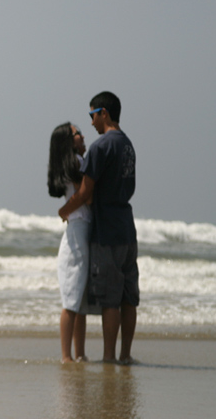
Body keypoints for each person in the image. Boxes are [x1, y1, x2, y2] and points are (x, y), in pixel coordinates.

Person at [59, 91, 138, 364]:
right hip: (127, 227)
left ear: (104, 113)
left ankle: (108, 358)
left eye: (92, 115)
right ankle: (125, 355)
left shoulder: (100, 146)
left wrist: (64, 211)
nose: (91, 122)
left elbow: (84, 192)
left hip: (107, 230)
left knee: (110, 300)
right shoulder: (128, 145)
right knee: (129, 298)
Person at [48, 122, 97, 363]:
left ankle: (78, 354)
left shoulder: (75, 163)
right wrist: (66, 209)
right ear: (69, 141)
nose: (83, 136)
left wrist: (64, 209)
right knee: (72, 300)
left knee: (78, 300)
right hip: (77, 231)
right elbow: (85, 196)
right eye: (78, 134)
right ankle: (68, 356)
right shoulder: (77, 163)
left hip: (79, 229)